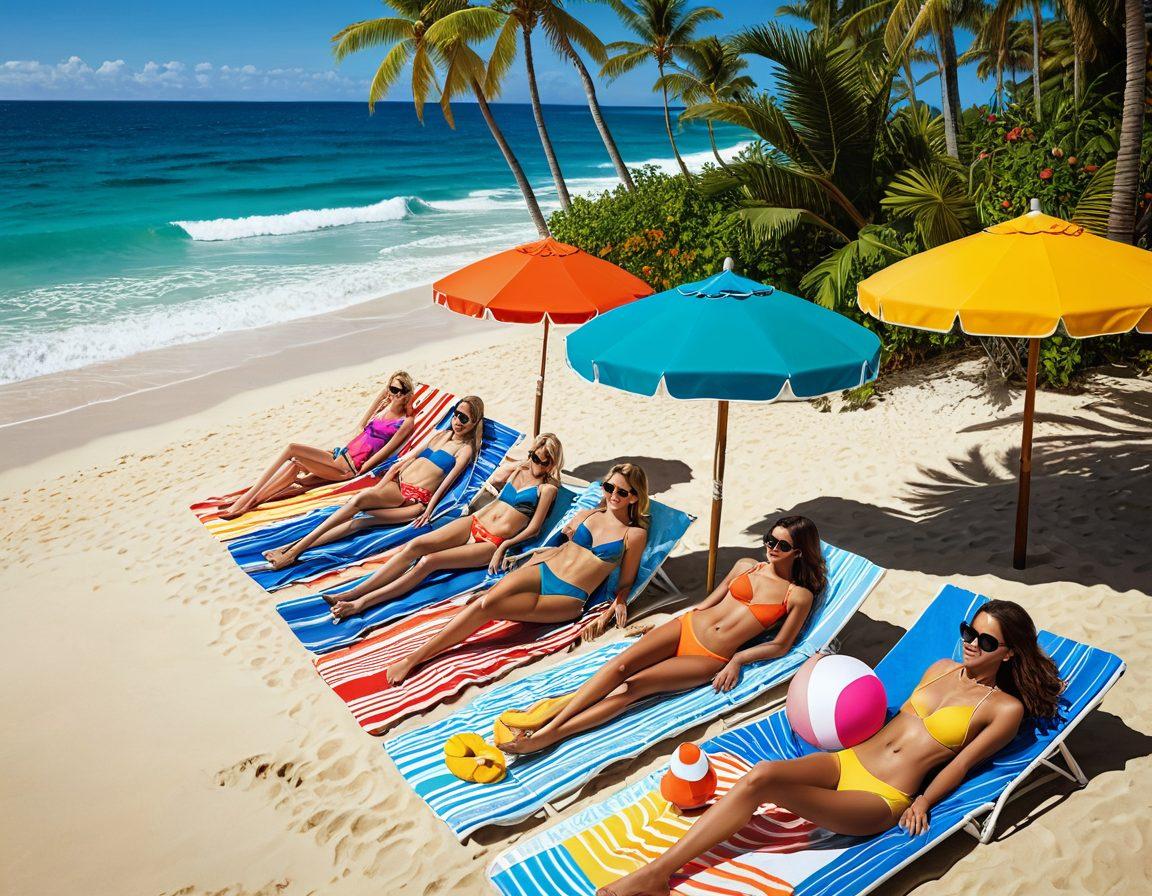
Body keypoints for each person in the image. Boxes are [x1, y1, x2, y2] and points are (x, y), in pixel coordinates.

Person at [595, 599, 1064, 896]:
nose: (971, 644)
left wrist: (922, 801)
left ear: (1010, 652)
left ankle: (656, 876)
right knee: (760, 774)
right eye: (969, 631)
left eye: (986, 640)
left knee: (765, 787)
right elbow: (891, 718)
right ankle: (660, 870)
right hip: (847, 761)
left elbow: (961, 764)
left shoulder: (1004, 709)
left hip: (880, 798)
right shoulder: (941, 666)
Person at [498, 517, 824, 754]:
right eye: (770, 540)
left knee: (632, 687)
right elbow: (709, 601)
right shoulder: (745, 565)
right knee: (619, 666)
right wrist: (674, 616)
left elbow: (781, 645)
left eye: (782, 545)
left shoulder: (797, 596)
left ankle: (552, 734)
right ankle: (550, 719)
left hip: (708, 657)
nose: (772, 548)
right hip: (687, 626)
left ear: (798, 552)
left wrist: (738, 659)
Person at [384, 462, 651, 686]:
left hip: (568, 596)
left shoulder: (634, 534)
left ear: (635, 497)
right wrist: (541, 550)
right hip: (543, 568)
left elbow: (626, 579)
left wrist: (620, 599)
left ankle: (415, 659)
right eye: (608, 487)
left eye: (622, 491)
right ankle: (419, 654)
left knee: (488, 607)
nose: (613, 494)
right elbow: (561, 543)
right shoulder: (588, 513)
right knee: (483, 602)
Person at [326, 433, 564, 620]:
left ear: (552, 462)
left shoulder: (547, 489)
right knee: (414, 545)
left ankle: (360, 604)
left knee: (428, 562)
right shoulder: (519, 471)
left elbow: (533, 529)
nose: (537, 464)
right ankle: (352, 592)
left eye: (544, 461)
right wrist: (517, 465)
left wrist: (505, 548)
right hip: (474, 522)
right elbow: (494, 484)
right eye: (534, 456)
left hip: (492, 542)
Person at [261, 396, 484, 570]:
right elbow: (404, 462)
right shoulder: (439, 436)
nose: (457, 421)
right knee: (357, 514)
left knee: (360, 517)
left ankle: (293, 552)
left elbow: (448, 482)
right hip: (395, 484)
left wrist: (430, 509)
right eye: (456, 415)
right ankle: (289, 548)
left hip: (411, 500)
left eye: (464, 418)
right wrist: (382, 484)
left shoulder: (464, 450)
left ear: (475, 422)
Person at [221, 371, 417, 519]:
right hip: (340, 456)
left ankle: (244, 502)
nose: (393, 394)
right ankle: (251, 501)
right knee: (294, 464)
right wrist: (385, 397)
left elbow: (386, 451)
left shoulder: (405, 422)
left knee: (292, 450)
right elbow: (365, 420)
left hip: (348, 467)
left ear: (407, 394)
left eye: (398, 391)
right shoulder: (383, 408)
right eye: (391, 389)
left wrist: (362, 470)